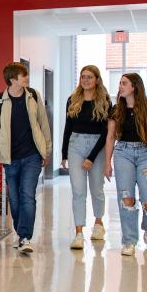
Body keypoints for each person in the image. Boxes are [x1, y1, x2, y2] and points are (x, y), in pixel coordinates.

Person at [0, 62, 53, 253]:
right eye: (23, 76)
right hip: (10, 158)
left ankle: (25, 237)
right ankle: (21, 233)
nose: (27, 78)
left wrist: (46, 150)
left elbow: (43, 123)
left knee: (27, 196)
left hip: (31, 155)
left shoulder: (33, 96)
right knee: (14, 199)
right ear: (13, 79)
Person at [104, 73, 147, 256]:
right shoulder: (116, 110)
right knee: (127, 199)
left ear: (134, 87)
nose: (120, 86)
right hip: (123, 153)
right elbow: (111, 137)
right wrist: (107, 162)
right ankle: (129, 241)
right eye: (120, 83)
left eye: (124, 83)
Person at [61, 65, 111, 249]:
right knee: (78, 190)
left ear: (97, 79)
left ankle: (98, 223)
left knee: (97, 188)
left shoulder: (105, 101)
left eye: (89, 77)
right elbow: (68, 127)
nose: (86, 80)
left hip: (98, 146)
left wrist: (91, 156)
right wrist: (64, 153)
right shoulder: (72, 100)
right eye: (83, 77)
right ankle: (79, 233)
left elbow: (107, 132)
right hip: (76, 144)